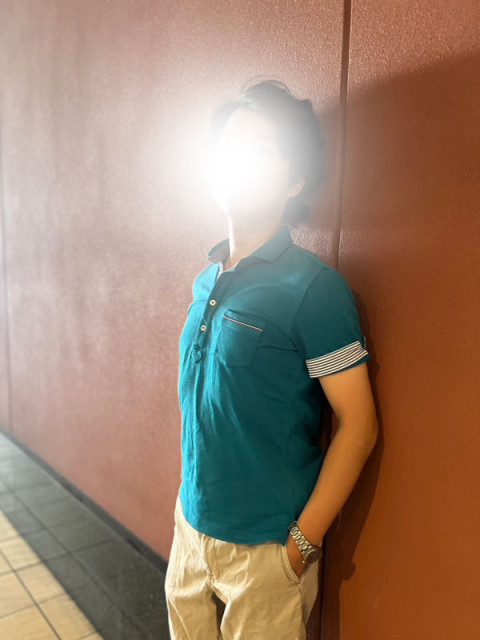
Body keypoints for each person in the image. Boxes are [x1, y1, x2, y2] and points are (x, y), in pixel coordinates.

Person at [164, 79, 379, 640]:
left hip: (264, 554)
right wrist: (186, 517)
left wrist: (300, 546)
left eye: (261, 150)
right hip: (190, 532)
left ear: (294, 181)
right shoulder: (206, 280)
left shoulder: (314, 289)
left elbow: (358, 425)